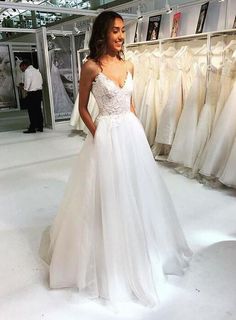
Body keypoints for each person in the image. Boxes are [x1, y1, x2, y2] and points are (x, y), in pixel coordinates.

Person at [47, 11, 192, 306]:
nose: (121, 36)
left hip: (130, 133)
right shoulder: (91, 67)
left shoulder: (129, 65)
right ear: (102, 33)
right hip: (106, 136)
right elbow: (84, 108)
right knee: (107, 195)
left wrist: (139, 135)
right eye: (115, 31)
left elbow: (131, 104)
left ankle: (140, 248)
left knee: (137, 192)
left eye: (123, 31)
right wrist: (96, 133)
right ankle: (107, 253)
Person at [20, 60, 44, 133]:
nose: (22, 70)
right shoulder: (37, 71)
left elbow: (28, 82)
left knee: (31, 111)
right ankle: (40, 127)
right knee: (38, 110)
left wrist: (24, 88)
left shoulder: (28, 71)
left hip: (32, 93)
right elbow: (41, 81)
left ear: (24, 65)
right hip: (39, 92)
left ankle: (32, 128)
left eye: (21, 68)